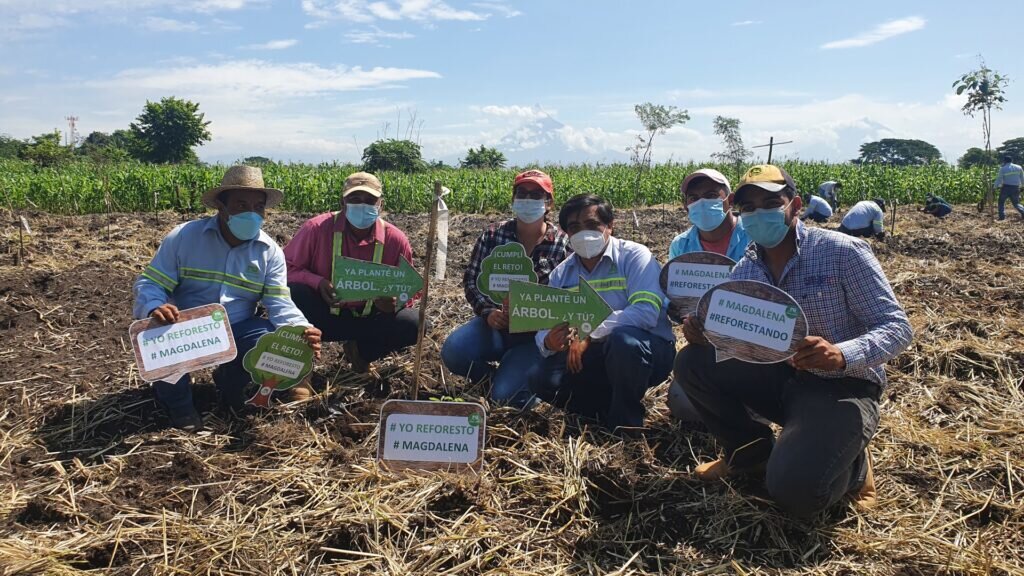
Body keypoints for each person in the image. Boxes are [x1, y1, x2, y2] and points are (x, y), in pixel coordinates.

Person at [674, 164, 912, 518]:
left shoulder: (843, 252)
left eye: (769, 203)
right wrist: (702, 334)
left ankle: (855, 466)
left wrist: (841, 353)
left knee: (795, 493)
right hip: (781, 378)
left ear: (795, 205)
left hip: (842, 386)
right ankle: (748, 454)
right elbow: (736, 335)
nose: (757, 214)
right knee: (692, 363)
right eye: (748, 208)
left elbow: (896, 327)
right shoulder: (747, 269)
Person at [133, 165, 323, 432]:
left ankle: (230, 381)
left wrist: (302, 331)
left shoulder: (269, 252)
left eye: (258, 206)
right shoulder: (184, 237)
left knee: (268, 340)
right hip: (184, 328)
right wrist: (155, 306)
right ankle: (179, 406)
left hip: (237, 329)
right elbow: (150, 282)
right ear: (221, 207)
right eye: (241, 204)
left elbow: (279, 303)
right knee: (156, 336)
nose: (251, 212)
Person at [527, 194, 675, 431]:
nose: (584, 233)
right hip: (593, 354)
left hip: (647, 349)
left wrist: (588, 331)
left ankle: (626, 426)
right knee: (539, 377)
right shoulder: (562, 274)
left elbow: (645, 313)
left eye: (593, 225)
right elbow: (546, 325)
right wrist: (549, 340)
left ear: (610, 226)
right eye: (575, 228)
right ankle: (599, 412)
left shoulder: (635, 257)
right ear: (566, 233)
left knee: (623, 342)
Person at [441, 170, 571, 408]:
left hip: (535, 338)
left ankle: (521, 378)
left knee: (506, 399)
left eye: (536, 195)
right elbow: (472, 280)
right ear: (513, 199)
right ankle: (490, 378)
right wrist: (488, 312)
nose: (528, 200)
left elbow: (570, 296)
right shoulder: (493, 235)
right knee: (453, 351)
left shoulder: (564, 245)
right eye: (522, 194)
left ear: (549, 202)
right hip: (496, 329)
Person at [284, 171, 419, 374]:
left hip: (369, 319)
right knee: (295, 293)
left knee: (413, 323)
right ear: (342, 202)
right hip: (323, 315)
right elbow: (285, 269)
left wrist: (393, 304)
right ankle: (300, 370)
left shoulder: (395, 240)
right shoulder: (316, 229)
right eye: (354, 199)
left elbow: (408, 289)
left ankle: (361, 353)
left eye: (370, 200)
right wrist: (317, 282)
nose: (362, 205)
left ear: (380, 205)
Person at [666, 168, 749, 423]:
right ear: (686, 206)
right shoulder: (681, 245)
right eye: (694, 198)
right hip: (705, 342)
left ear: (729, 199)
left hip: (749, 342)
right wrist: (685, 320)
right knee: (683, 406)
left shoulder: (752, 237)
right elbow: (678, 298)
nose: (702, 202)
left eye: (712, 194)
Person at [994, 155, 1024, 221]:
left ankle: (1002, 217)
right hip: (1015, 188)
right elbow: (1022, 178)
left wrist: (994, 187)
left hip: (1006, 188)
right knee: (1016, 203)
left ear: (1004, 161)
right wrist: (1022, 186)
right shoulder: (1019, 167)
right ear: (1011, 160)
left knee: (1001, 202)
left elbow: (999, 179)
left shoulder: (1003, 168)